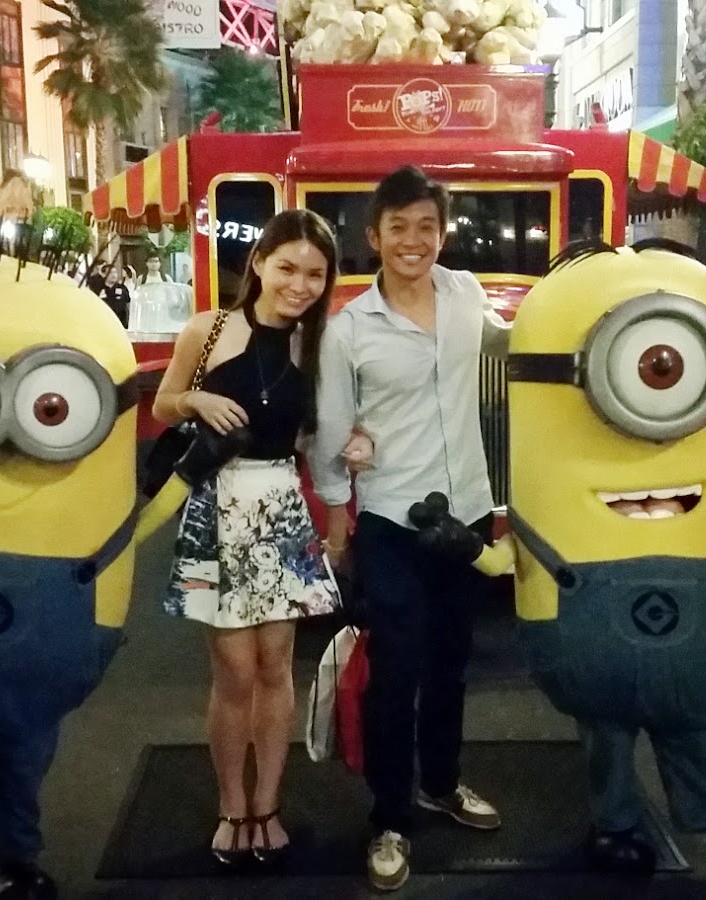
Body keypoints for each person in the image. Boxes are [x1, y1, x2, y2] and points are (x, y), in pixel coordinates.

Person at [306, 166, 509, 892]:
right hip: (393, 519)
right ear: (375, 236)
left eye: (427, 226)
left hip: (468, 513)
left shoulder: (467, 295)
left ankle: (442, 783)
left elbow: (512, 349)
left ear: (443, 233)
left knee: (453, 661)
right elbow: (331, 432)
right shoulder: (348, 331)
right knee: (396, 672)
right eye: (399, 227)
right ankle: (389, 817)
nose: (413, 240)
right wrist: (338, 523)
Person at [153, 209, 345, 869]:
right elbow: (163, 402)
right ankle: (231, 803)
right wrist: (195, 401)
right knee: (234, 671)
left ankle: (267, 804)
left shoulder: (319, 345)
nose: (300, 284)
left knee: (276, 665)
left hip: (281, 506)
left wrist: (356, 446)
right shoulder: (208, 329)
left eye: (315, 274)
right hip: (214, 505)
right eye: (287, 267)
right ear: (259, 262)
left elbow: (322, 433)